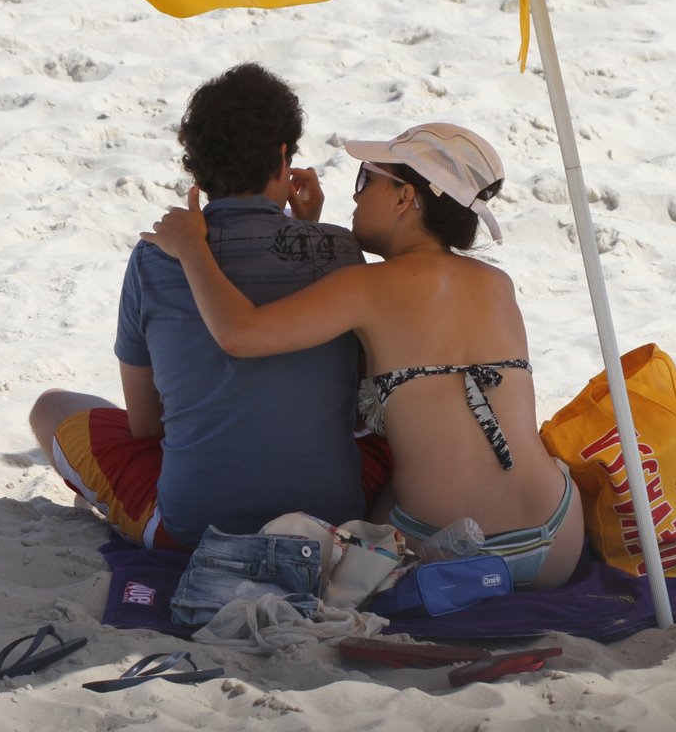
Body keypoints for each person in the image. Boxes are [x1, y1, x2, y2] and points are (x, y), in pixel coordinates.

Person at [139, 122, 586, 590]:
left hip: (441, 550)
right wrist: (309, 230)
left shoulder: (367, 287)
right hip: (556, 539)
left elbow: (240, 333)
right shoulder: (497, 284)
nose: (355, 196)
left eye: (366, 179)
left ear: (404, 197)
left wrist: (191, 248)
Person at [28, 63, 370, 550]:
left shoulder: (153, 258)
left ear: (198, 167)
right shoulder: (341, 250)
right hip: (333, 517)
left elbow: (145, 425)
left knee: (52, 407)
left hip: (194, 527)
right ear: (282, 157)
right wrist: (309, 230)